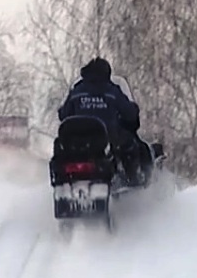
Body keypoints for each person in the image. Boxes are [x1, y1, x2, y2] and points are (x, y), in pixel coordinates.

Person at [57, 57, 147, 185]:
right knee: (131, 145)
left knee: (59, 150)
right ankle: (132, 179)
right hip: (107, 139)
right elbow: (129, 113)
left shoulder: (77, 91)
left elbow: (63, 114)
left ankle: (61, 179)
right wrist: (134, 109)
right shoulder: (112, 91)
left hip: (76, 142)